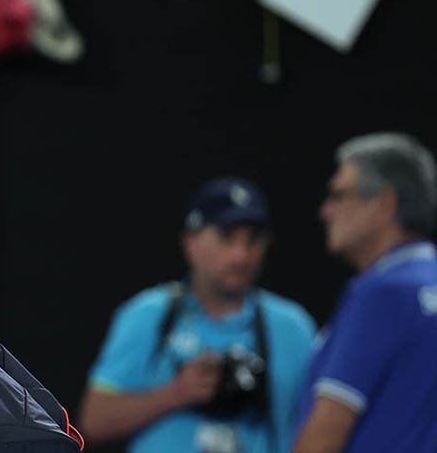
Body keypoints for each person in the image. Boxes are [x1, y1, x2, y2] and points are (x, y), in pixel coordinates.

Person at [78, 176, 317, 453]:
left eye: (253, 240)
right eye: (226, 238)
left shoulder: (293, 327)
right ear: (190, 242)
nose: (241, 255)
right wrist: (177, 392)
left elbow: (322, 426)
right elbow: (93, 421)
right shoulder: (148, 315)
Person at [292, 132, 437, 452]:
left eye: (339, 195)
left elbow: (324, 436)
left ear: (384, 204)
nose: (326, 211)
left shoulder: (383, 292)